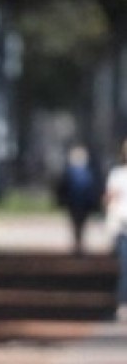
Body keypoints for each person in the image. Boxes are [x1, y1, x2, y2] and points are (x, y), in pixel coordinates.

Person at [55, 144, 102, 255]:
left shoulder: (70, 171)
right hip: (83, 204)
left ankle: (77, 244)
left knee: (76, 225)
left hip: (74, 203)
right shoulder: (88, 171)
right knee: (81, 225)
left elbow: (62, 188)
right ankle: (79, 245)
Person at [104, 137, 127, 321]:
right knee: (125, 267)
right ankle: (123, 304)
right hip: (123, 227)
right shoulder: (117, 175)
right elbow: (109, 199)